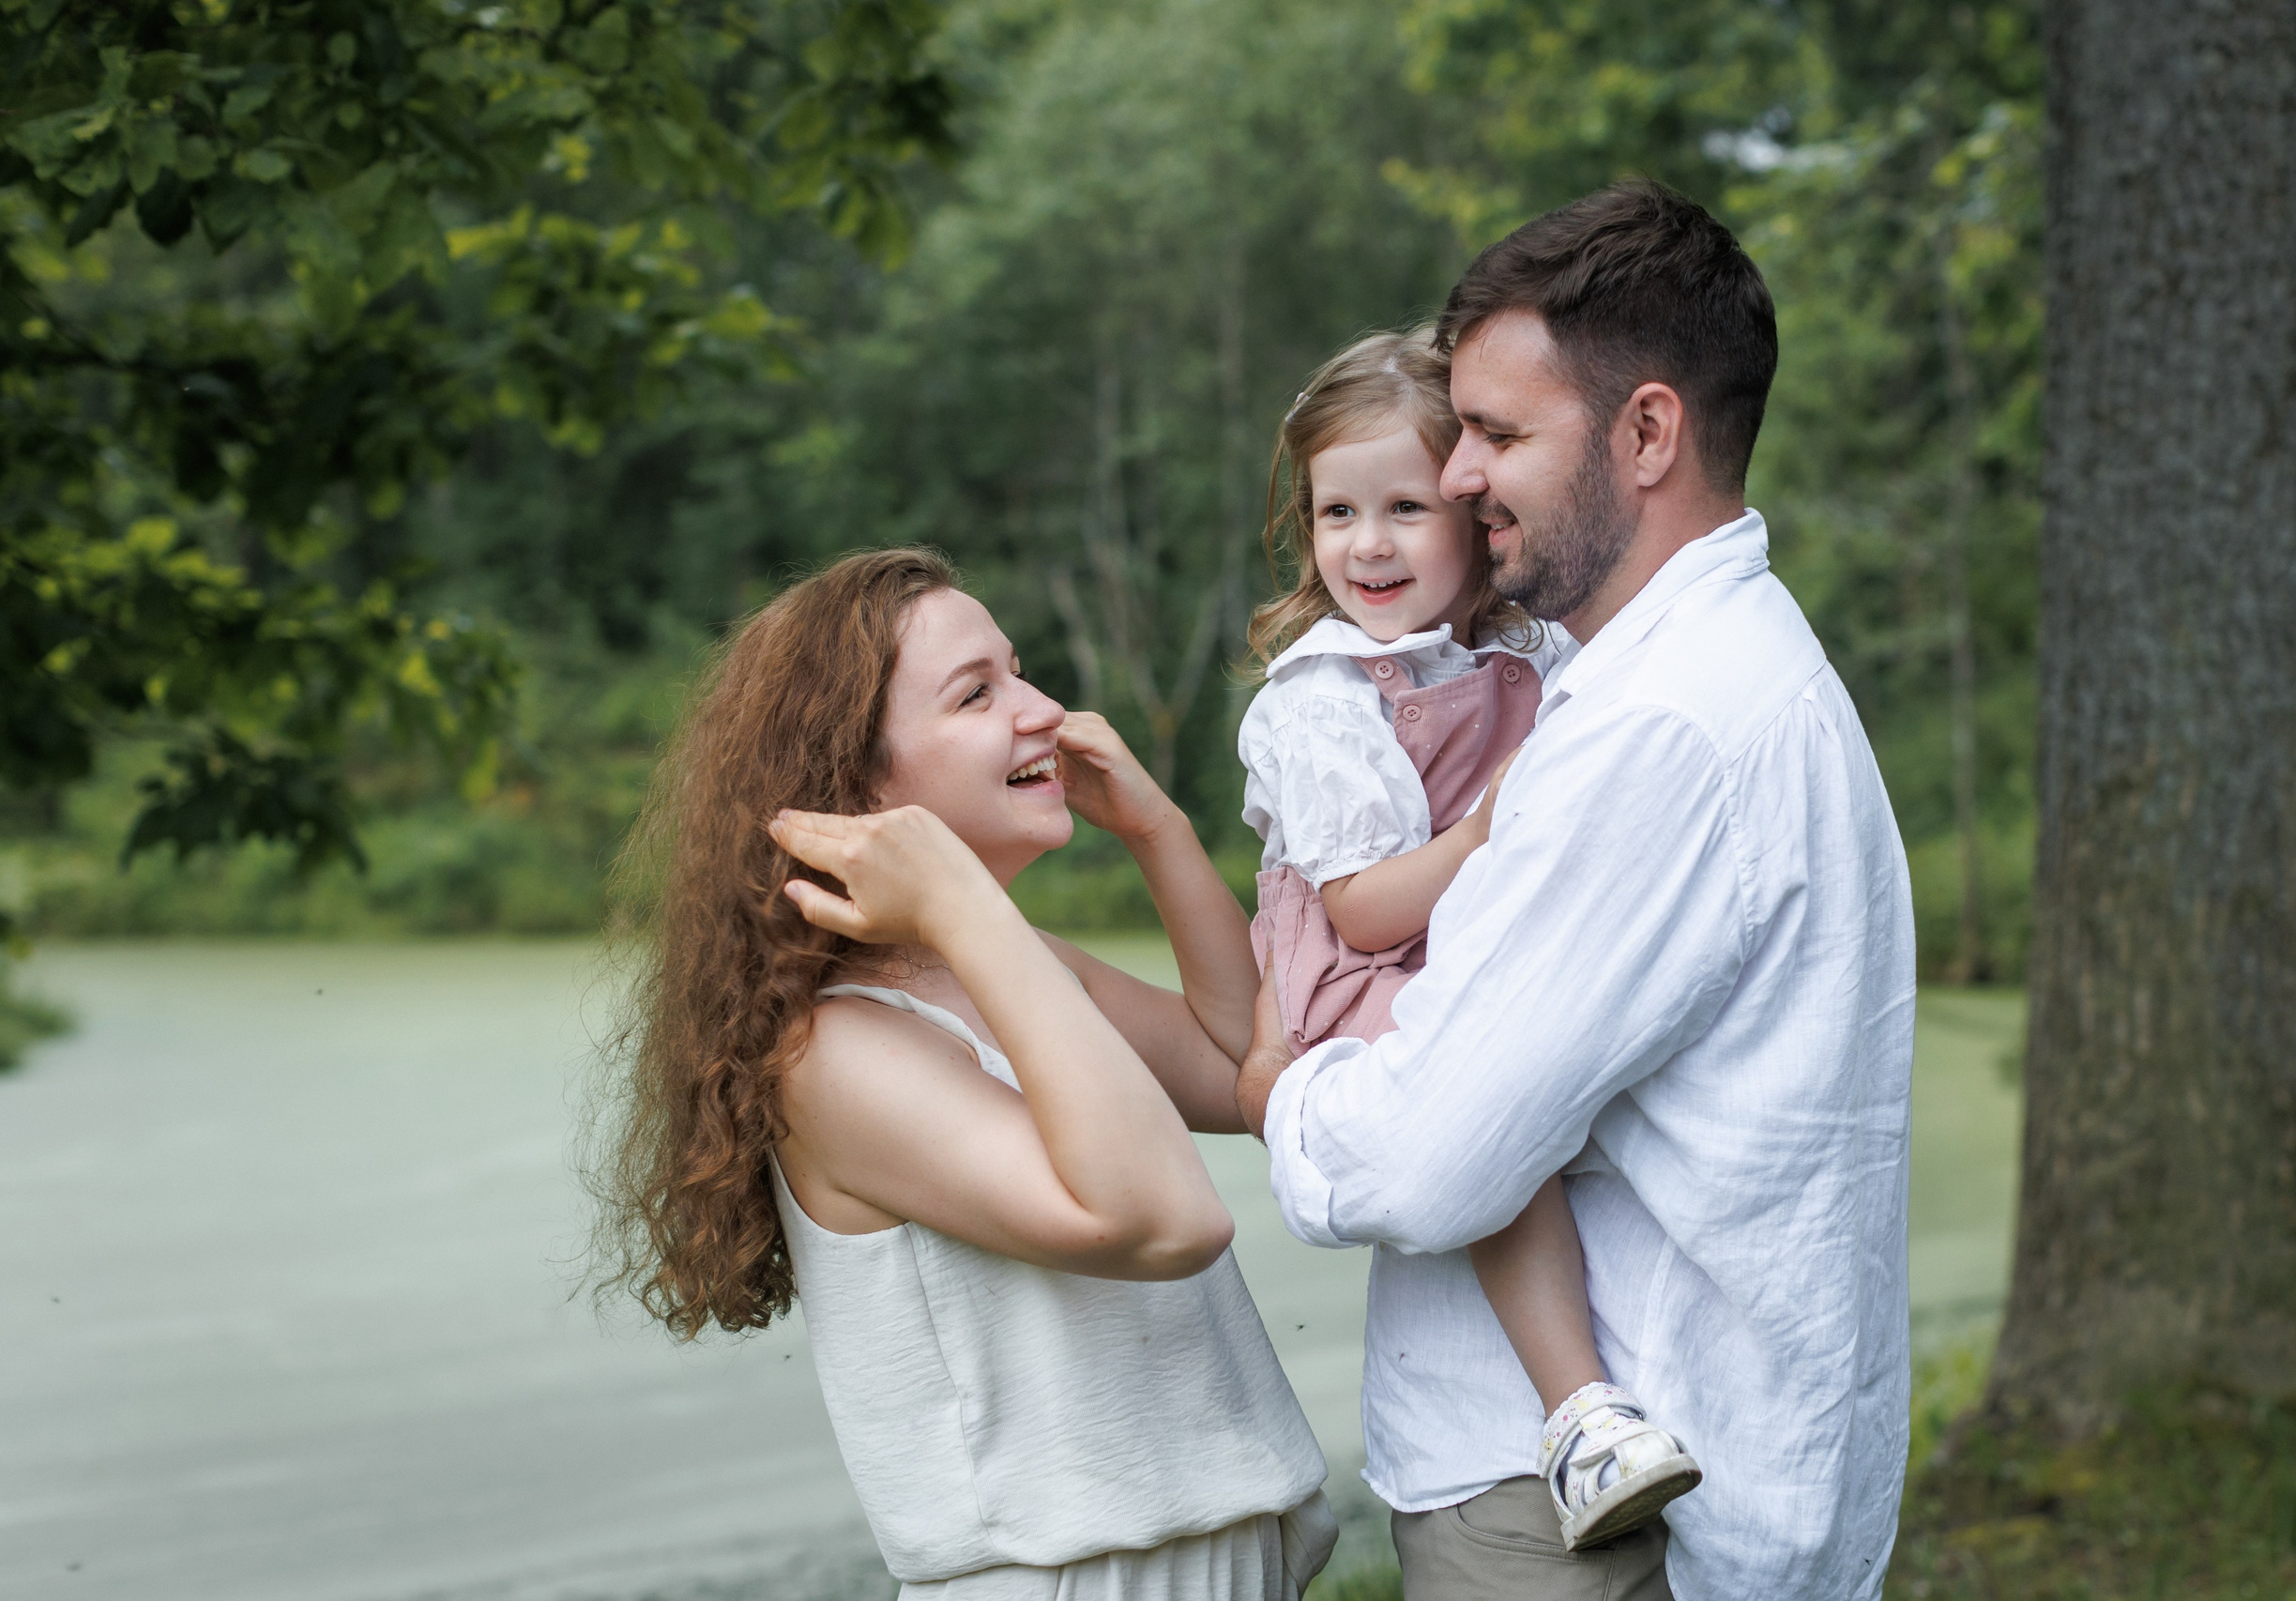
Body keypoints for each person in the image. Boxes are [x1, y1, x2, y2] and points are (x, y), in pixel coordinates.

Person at [1235, 179, 1916, 1601]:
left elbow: (1433, 1157)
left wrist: (1278, 1096)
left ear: (1648, 431)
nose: (1462, 476)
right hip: (1659, 1486)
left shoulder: (1656, 729)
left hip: (1582, 1523)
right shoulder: (1701, 674)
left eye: (1495, 433)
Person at [592, 547, 1336, 1599]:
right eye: (977, 693)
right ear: (857, 783)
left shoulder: (1007, 970)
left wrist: (1158, 832)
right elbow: (1164, 1219)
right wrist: (959, 901)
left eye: (1021, 671)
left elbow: (1257, 1073)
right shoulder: (832, 1053)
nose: (1044, 710)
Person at [1237, 328, 1701, 1552]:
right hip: (1373, 969)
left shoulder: (1528, 650)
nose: (1367, 544)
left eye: (1402, 506)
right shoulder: (1326, 696)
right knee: (1486, 1120)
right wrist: (1499, 826)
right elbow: (1364, 908)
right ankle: (1579, 1412)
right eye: (1337, 511)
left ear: (1471, 509)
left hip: (1467, 933)